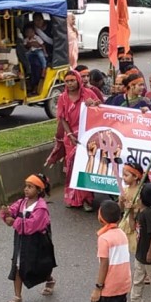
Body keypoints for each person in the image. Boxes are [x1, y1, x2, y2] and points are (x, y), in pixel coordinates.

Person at [0, 173, 57, 302]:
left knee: (40, 266)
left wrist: (15, 222)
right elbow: (12, 213)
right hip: (21, 241)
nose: (26, 189)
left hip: (37, 242)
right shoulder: (21, 203)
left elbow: (32, 225)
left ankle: (49, 279)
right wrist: (6, 213)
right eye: (26, 186)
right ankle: (17, 297)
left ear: (39, 190)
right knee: (18, 265)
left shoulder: (41, 208)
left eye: (30, 187)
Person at [91, 200, 133, 302]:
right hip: (124, 283)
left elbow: (104, 264)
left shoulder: (104, 238)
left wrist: (98, 287)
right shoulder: (121, 233)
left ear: (101, 217)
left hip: (110, 285)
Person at [57, 70, 100, 211]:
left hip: (87, 136)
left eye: (72, 80)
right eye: (67, 81)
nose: (69, 84)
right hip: (71, 138)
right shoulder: (63, 98)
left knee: (85, 167)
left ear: (78, 81)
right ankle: (72, 198)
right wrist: (69, 134)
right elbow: (62, 118)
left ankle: (87, 199)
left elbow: (100, 110)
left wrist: (93, 105)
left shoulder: (88, 94)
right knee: (72, 168)